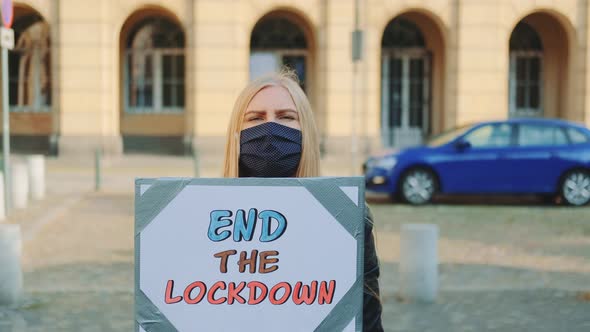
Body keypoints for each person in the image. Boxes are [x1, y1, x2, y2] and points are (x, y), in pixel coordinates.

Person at [222, 69, 384, 331]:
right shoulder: (198, 213)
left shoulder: (348, 216)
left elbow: (367, 319)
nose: (271, 129)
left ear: (305, 131)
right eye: (255, 118)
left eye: (286, 117)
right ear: (236, 134)